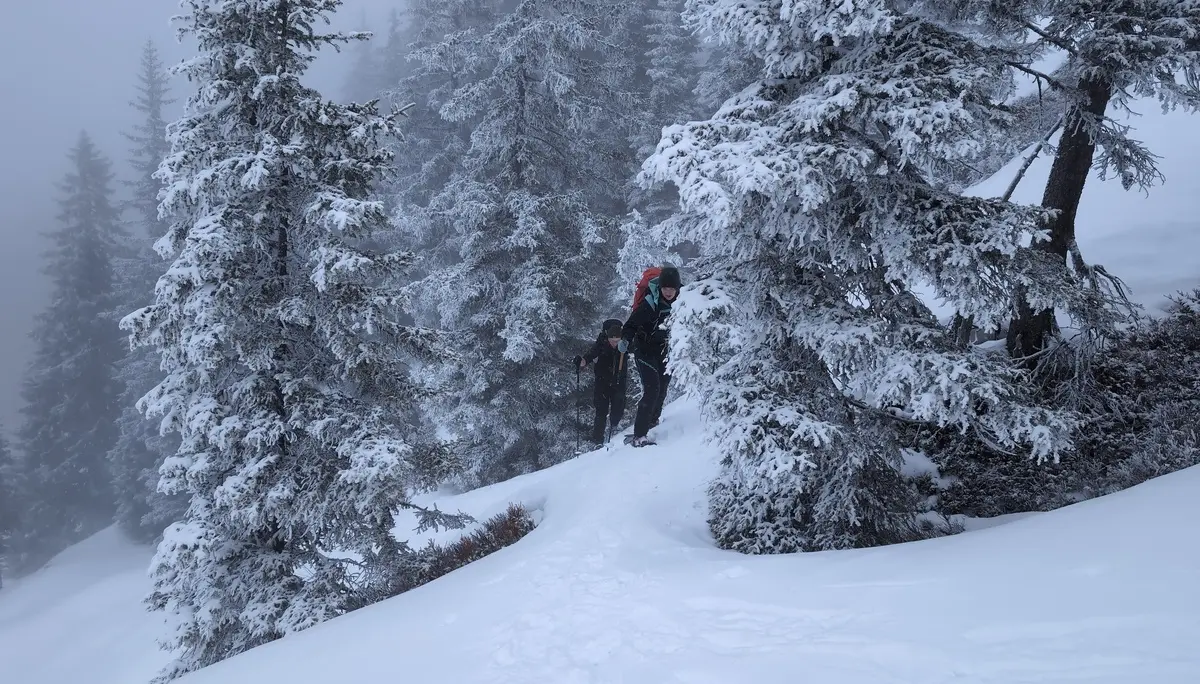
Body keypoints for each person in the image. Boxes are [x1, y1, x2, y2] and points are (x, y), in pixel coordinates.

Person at [619, 266, 682, 447]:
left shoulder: (683, 302)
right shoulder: (650, 303)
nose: (668, 292)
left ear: (677, 289)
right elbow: (630, 324)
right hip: (644, 349)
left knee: (663, 386)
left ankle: (653, 421)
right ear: (660, 287)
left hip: (665, 350)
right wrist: (625, 340)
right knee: (652, 388)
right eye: (665, 288)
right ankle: (640, 435)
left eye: (672, 288)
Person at [575, 319, 628, 445]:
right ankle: (597, 440)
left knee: (618, 408)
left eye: (617, 341)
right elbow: (589, 356)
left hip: (619, 381)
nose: (615, 344)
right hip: (602, 382)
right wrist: (581, 361)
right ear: (607, 337)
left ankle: (614, 432)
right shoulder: (601, 343)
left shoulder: (625, 344)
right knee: (601, 411)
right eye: (612, 341)